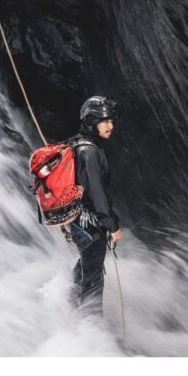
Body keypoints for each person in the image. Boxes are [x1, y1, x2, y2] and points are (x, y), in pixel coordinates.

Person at [65, 96, 123, 314]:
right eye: (104, 121)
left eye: (111, 120)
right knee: (93, 278)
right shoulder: (88, 151)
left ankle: (70, 310)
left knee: (86, 269)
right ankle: (92, 329)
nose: (110, 125)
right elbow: (97, 193)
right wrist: (112, 225)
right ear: (90, 121)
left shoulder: (81, 145)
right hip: (88, 223)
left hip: (81, 221)